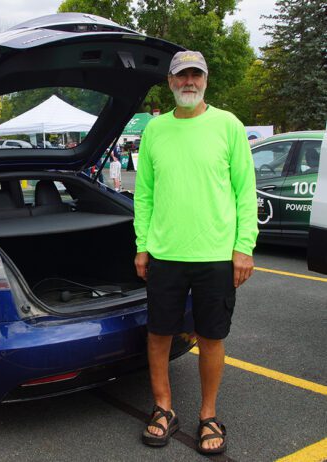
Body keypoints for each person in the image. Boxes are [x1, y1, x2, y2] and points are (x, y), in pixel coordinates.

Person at [133, 50, 258, 455]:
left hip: (216, 256)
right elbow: (144, 195)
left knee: (211, 337)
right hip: (165, 254)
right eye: (182, 75)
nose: (189, 82)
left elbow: (245, 192)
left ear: (205, 80)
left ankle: (208, 415)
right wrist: (142, 246)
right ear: (170, 81)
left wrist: (243, 247)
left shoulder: (228, 125)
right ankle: (163, 408)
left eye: (196, 75)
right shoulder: (155, 130)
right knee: (159, 334)